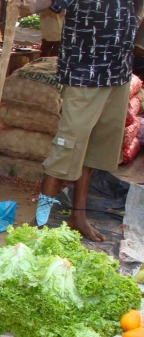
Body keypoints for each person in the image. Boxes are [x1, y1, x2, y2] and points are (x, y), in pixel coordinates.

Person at [19, 0, 140, 241]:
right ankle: (40, 223)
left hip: (118, 72)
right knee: (66, 148)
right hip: (84, 73)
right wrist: (28, 8)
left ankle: (78, 216)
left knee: (93, 149)